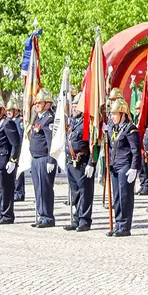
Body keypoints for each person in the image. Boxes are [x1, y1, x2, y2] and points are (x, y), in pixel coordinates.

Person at [107, 99, 142, 237]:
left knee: (125, 197)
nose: (112, 117)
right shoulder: (113, 128)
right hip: (115, 166)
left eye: (115, 114)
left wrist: (134, 168)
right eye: (112, 114)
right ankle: (118, 224)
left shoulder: (130, 128)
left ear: (122, 114)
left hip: (125, 166)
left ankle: (125, 226)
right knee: (116, 197)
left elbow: (135, 150)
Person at [64, 94, 97, 232]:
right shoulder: (73, 122)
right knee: (75, 192)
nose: (73, 108)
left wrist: (91, 163)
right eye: (73, 105)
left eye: (76, 105)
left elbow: (94, 144)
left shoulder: (87, 124)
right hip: (72, 163)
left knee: (85, 193)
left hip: (83, 162)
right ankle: (76, 218)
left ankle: (84, 220)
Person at [0, 97, 20, 225]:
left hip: (4, 162)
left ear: (2, 109)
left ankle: (7, 215)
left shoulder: (8, 123)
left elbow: (16, 143)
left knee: (6, 190)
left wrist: (13, 160)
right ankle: (1, 213)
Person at [29, 89, 57, 228]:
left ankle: (47, 217)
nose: (37, 105)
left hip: (44, 159)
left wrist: (51, 160)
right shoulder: (39, 118)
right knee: (38, 189)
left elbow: (51, 141)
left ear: (47, 104)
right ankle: (42, 215)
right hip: (36, 159)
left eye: (40, 103)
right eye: (37, 103)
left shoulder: (49, 119)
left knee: (45, 189)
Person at [6, 98, 26, 201]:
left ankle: (19, 192)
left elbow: (20, 136)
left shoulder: (19, 121)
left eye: (11, 110)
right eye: (7, 110)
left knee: (18, 171)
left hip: (18, 149)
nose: (8, 112)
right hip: (12, 149)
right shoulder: (11, 121)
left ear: (16, 111)